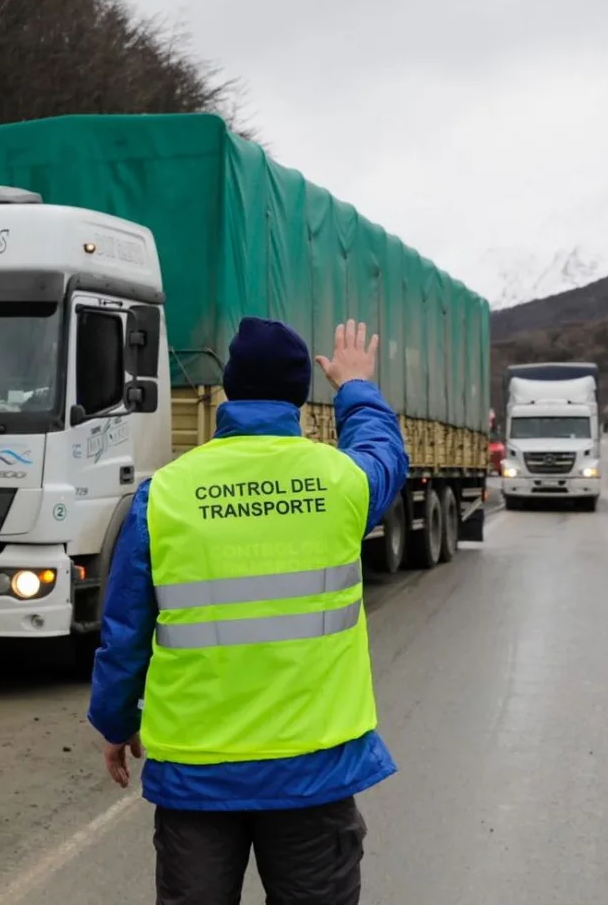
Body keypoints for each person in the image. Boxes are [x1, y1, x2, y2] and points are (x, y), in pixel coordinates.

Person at [87, 316, 409, 905]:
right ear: (298, 396)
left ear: (229, 391)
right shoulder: (342, 483)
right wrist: (356, 386)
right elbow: (385, 451)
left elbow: (126, 630)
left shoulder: (166, 494)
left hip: (197, 778)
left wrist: (115, 720)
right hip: (314, 774)